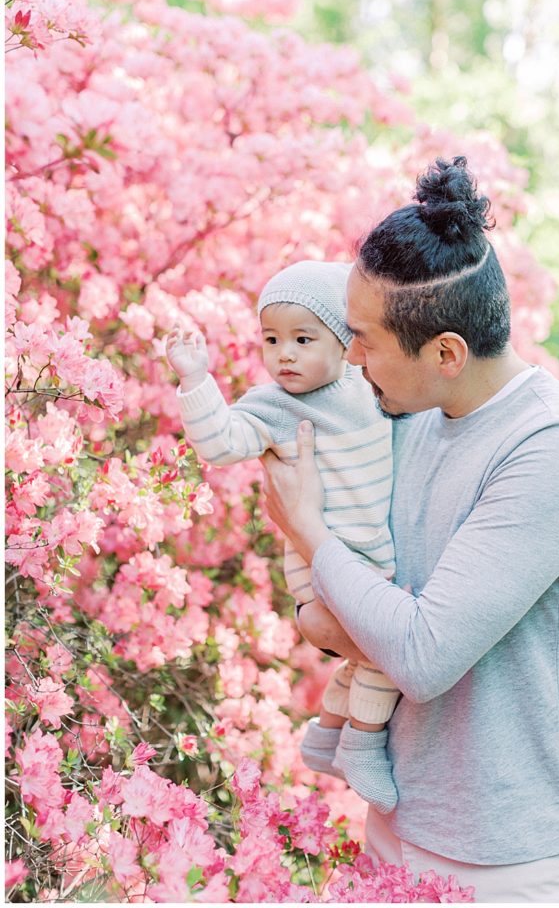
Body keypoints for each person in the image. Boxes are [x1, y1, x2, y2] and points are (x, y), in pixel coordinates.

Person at [260, 156, 559, 903]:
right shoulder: (412, 418)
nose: (349, 359)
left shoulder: (555, 450)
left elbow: (421, 655)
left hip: (505, 858)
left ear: (446, 354)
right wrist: (332, 610)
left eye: (363, 340)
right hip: (398, 817)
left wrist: (308, 533)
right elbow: (354, 615)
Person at [165, 260, 402, 813]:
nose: (285, 354)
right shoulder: (272, 406)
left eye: (302, 338)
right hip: (325, 560)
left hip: (365, 553)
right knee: (386, 653)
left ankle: (324, 735)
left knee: (364, 652)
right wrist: (196, 380)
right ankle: (362, 748)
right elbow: (220, 443)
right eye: (272, 340)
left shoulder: (365, 388)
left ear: (344, 342)